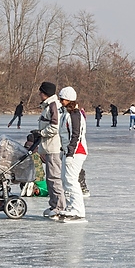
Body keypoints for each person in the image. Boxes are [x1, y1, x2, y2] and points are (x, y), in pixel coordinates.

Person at [34, 82, 67, 218]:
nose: (39, 94)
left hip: (53, 148)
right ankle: (53, 204)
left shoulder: (53, 106)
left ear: (45, 93)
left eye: (41, 92)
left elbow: (54, 127)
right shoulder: (48, 106)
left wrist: (41, 133)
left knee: (54, 178)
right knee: (50, 178)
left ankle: (59, 207)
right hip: (48, 147)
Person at [57, 86, 88, 221]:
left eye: (62, 99)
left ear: (68, 100)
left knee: (71, 181)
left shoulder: (75, 115)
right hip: (67, 152)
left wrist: (70, 154)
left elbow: (76, 135)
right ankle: (71, 207)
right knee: (65, 180)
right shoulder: (65, 114)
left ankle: (78, 210)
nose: (60, 101)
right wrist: (62, 151)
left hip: (76, 152)